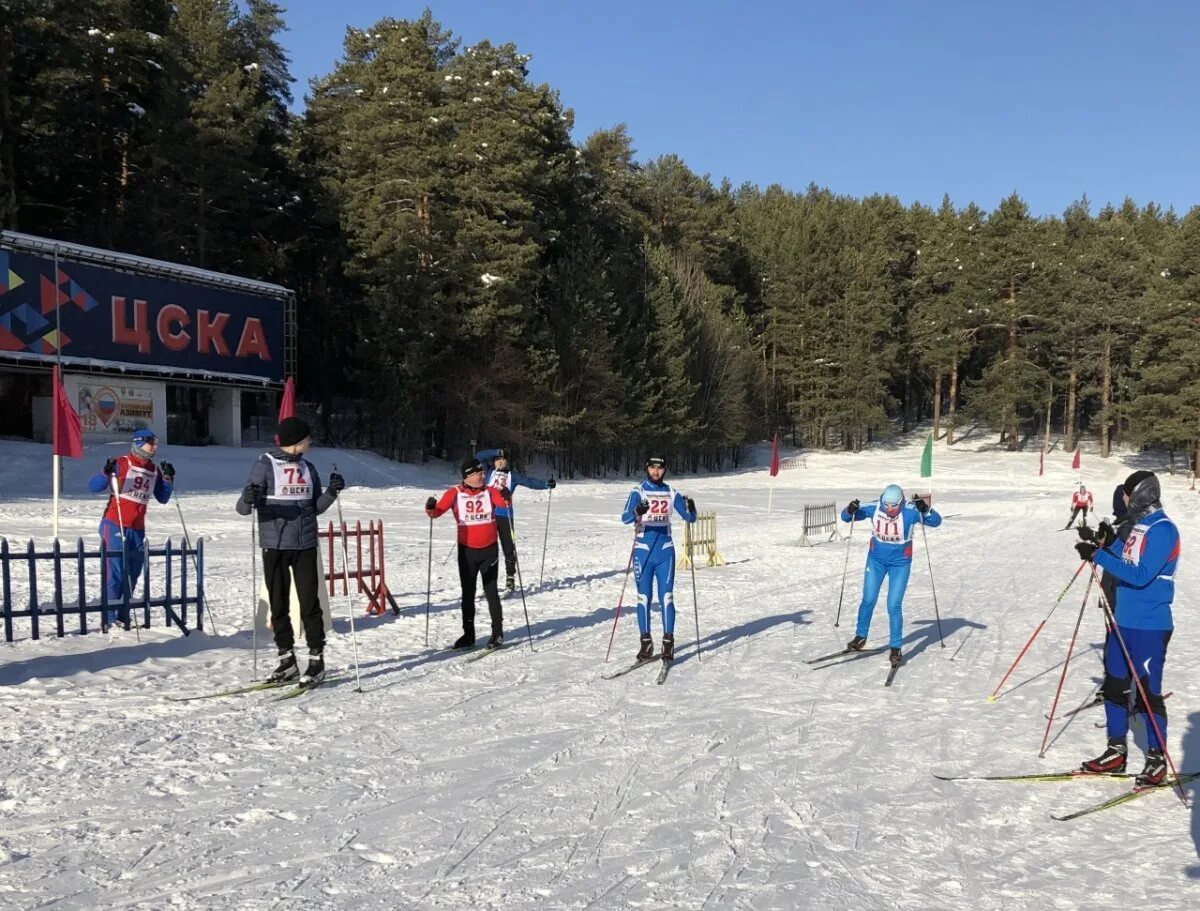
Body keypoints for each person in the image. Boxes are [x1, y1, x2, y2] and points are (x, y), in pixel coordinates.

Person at [1074, 470, 1178, 785]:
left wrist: (1101, 557)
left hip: (1149, 626)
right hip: (1123, 622)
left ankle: (1156, 758)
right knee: (1116, 686)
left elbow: (1139, 575)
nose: (1124, 499)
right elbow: (1116, 557)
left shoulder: (1163, 529)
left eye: (1128, 493)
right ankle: (1115, 751)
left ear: (1143, 493)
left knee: (1148, 692)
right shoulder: (1139, 527)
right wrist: (1097, 549)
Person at [236, 417, 343, 687]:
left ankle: (316, 659)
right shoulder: (265, 464)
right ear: (296, 441)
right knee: (279, 604)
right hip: (275, 544)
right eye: (307, 439)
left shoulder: (308, 467)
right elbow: (243, 507)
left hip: (305, 543)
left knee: (310, 603)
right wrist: (250, 498)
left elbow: (316, 506)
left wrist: (331, 492)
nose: (311, 443)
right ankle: (286, 659)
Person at [840, 485, 942, 667]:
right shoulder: (875, 508)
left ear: (901, 502)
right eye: (886, 505)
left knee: (893, 605)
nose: (889, 509)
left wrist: (926, 509)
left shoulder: (910, 511)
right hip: (876, 561)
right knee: (868, 599)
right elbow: (846, 517)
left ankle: (896, 647)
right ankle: (860, 637)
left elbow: (936, 521)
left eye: (894, 505)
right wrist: (850, 509)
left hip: (900, 564)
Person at [87, 428, 174, 624]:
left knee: (133, 573)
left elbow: (163, 497)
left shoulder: (153, 470)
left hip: (137, 527)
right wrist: (105, 472)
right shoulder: (122, 463)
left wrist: (168, 480)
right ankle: (109, 619)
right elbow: (93, 487)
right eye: (151, 442)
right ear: (138, 442)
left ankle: (123, 616)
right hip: (115, 523)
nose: (155, 446)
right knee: (115, 573)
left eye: (156, 442)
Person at [426, 458, 511, 650]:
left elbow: (504, 502)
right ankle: (468, 634)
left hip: (489, 550)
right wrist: (430, 507)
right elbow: (435, 513)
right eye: (479, 473)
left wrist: (506, 495)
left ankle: (497, 633)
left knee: (491, 592)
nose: (483, 476)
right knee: (468, 593)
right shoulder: (454, 493)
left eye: (483, 473)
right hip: (467, 552)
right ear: (468, 476)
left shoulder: (490, 491)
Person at [620, 457, 696, 664]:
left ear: (664, 470)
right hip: (643, 550)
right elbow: (625, 518)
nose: (656, 471)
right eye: (652, 467)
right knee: (643, 597)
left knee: (667, 597)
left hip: (665, 551)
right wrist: (637, 512)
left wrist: (692, 508)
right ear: (647, 468)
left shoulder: (671, 492)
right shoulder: (639, 491)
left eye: (660, 468)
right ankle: (646, 642)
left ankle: (668, 641)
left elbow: (689, 518)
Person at [475, 447, 555, 593]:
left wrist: (545, 484)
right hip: (488, 516)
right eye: (498, 459)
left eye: (503, 459)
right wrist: (497, 452)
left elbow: (530, 481)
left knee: (508, 547)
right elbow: (478, 456)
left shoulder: (513, 476)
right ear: (493, 461)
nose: (501, 462)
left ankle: (510, 577)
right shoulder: (487, 473)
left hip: (505, 515)